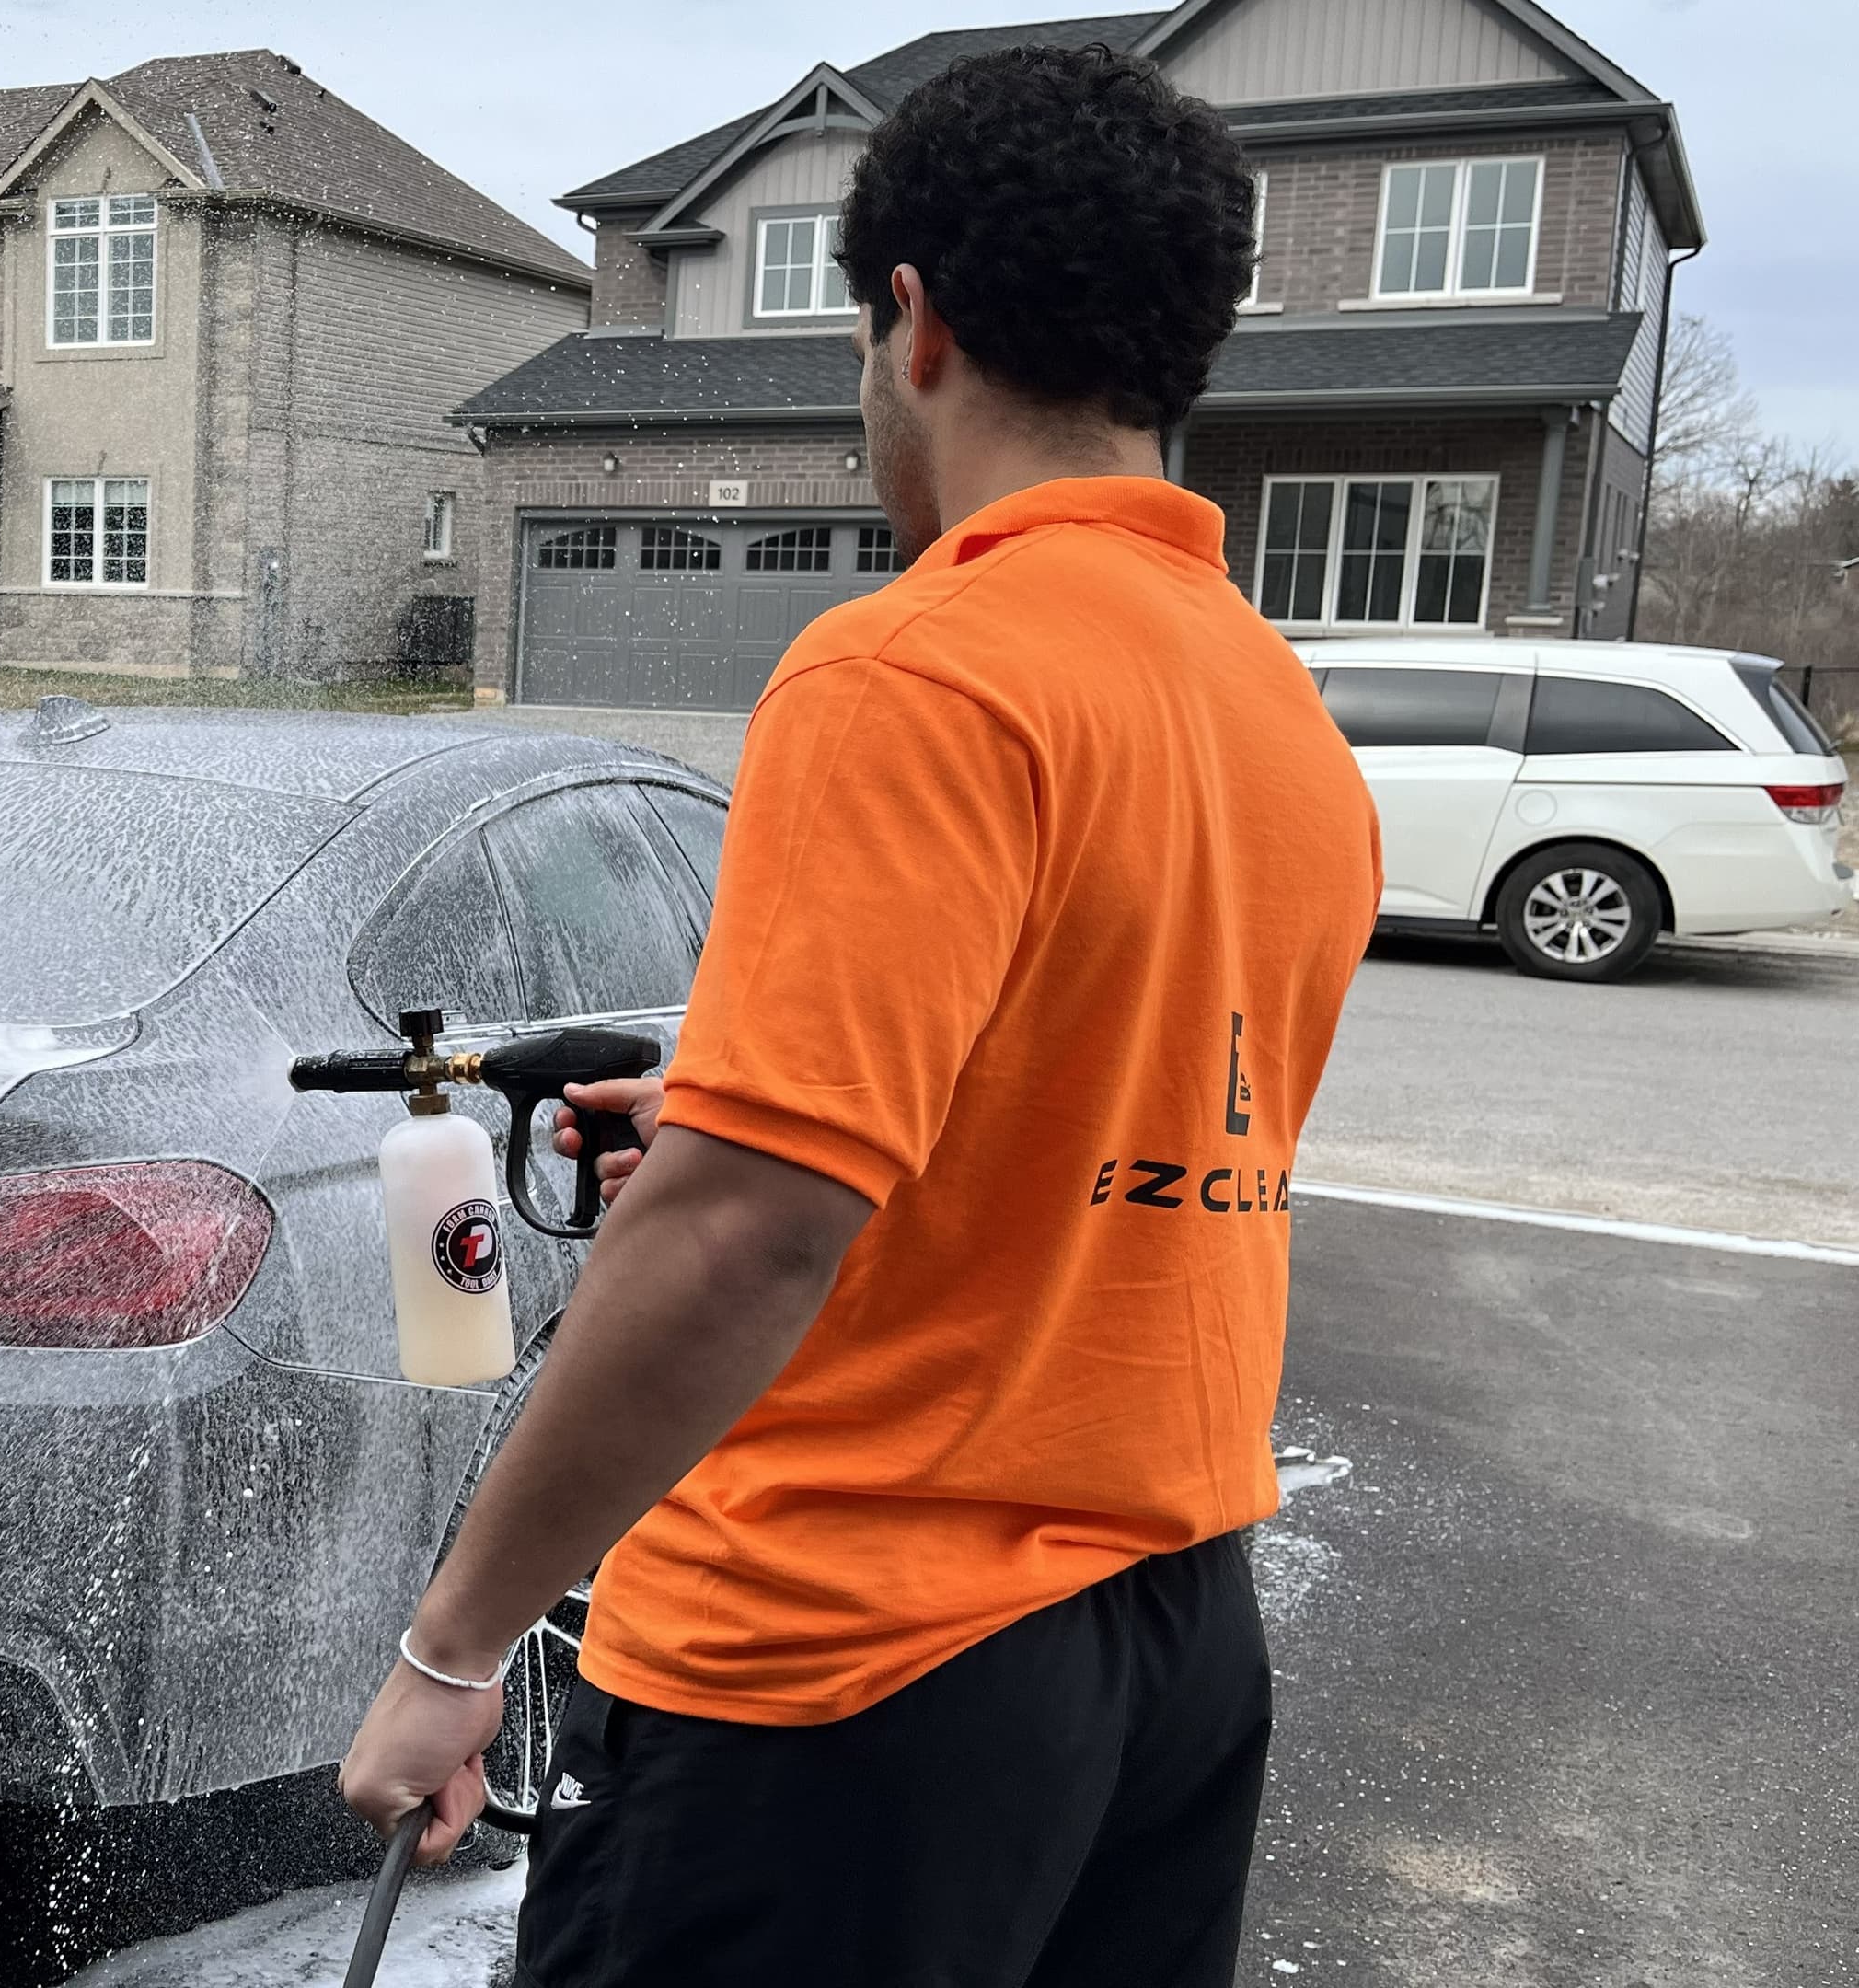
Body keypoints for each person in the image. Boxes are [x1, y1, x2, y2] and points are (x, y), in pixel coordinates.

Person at [336, 40, 1382, 1988]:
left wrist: (452, 1649)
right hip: (1170, 1647)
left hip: (845, 1663)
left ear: (910, 324)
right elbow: (1101, 1126)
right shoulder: (1272, 707)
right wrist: (745, 1104)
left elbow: (749, 1231)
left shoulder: (919, 665)